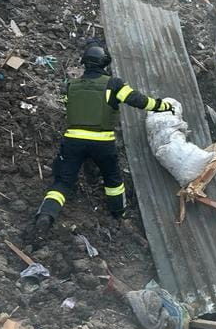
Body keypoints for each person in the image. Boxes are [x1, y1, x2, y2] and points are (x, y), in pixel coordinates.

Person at [32, 42, 175, 241]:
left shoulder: (71, 85)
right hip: (102, 143)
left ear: (84, 64)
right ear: (105, 63)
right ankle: (118, 214)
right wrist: (163, 105)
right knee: (113, 181)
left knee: (62, 182)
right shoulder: (114, 84)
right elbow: (138, 100)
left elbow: (67, 106)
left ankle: (46, 215)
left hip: (73, 141)